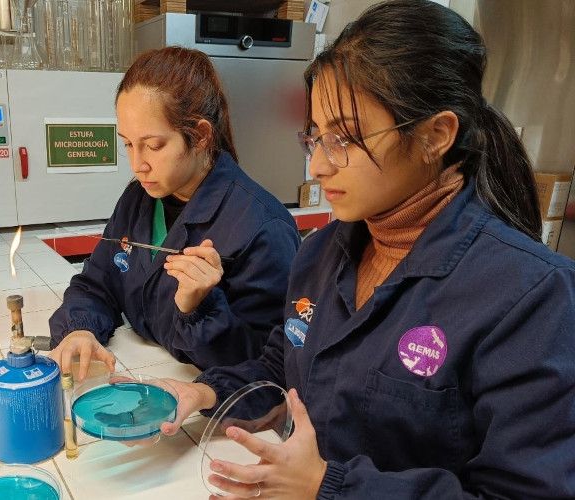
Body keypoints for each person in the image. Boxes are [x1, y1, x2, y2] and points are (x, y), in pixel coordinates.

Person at [159, 1, 575, 498]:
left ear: (434, 136)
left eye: (345, 139)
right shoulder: (320, 256)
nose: (317, 167)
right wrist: (205, 390)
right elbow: (282, 369)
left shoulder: (531, 297)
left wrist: (324, 486)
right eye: (315, 137)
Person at [48, 46, 301, 381]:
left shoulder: (262, 227)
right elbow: (97, 284)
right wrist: (79, 330)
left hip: (208, 403)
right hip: (139, 370)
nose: (138, 165)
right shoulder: (139, 199)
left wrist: (200, 309)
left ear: (199, 136)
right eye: (128, 144)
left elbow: (268, 363)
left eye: (154, 146)